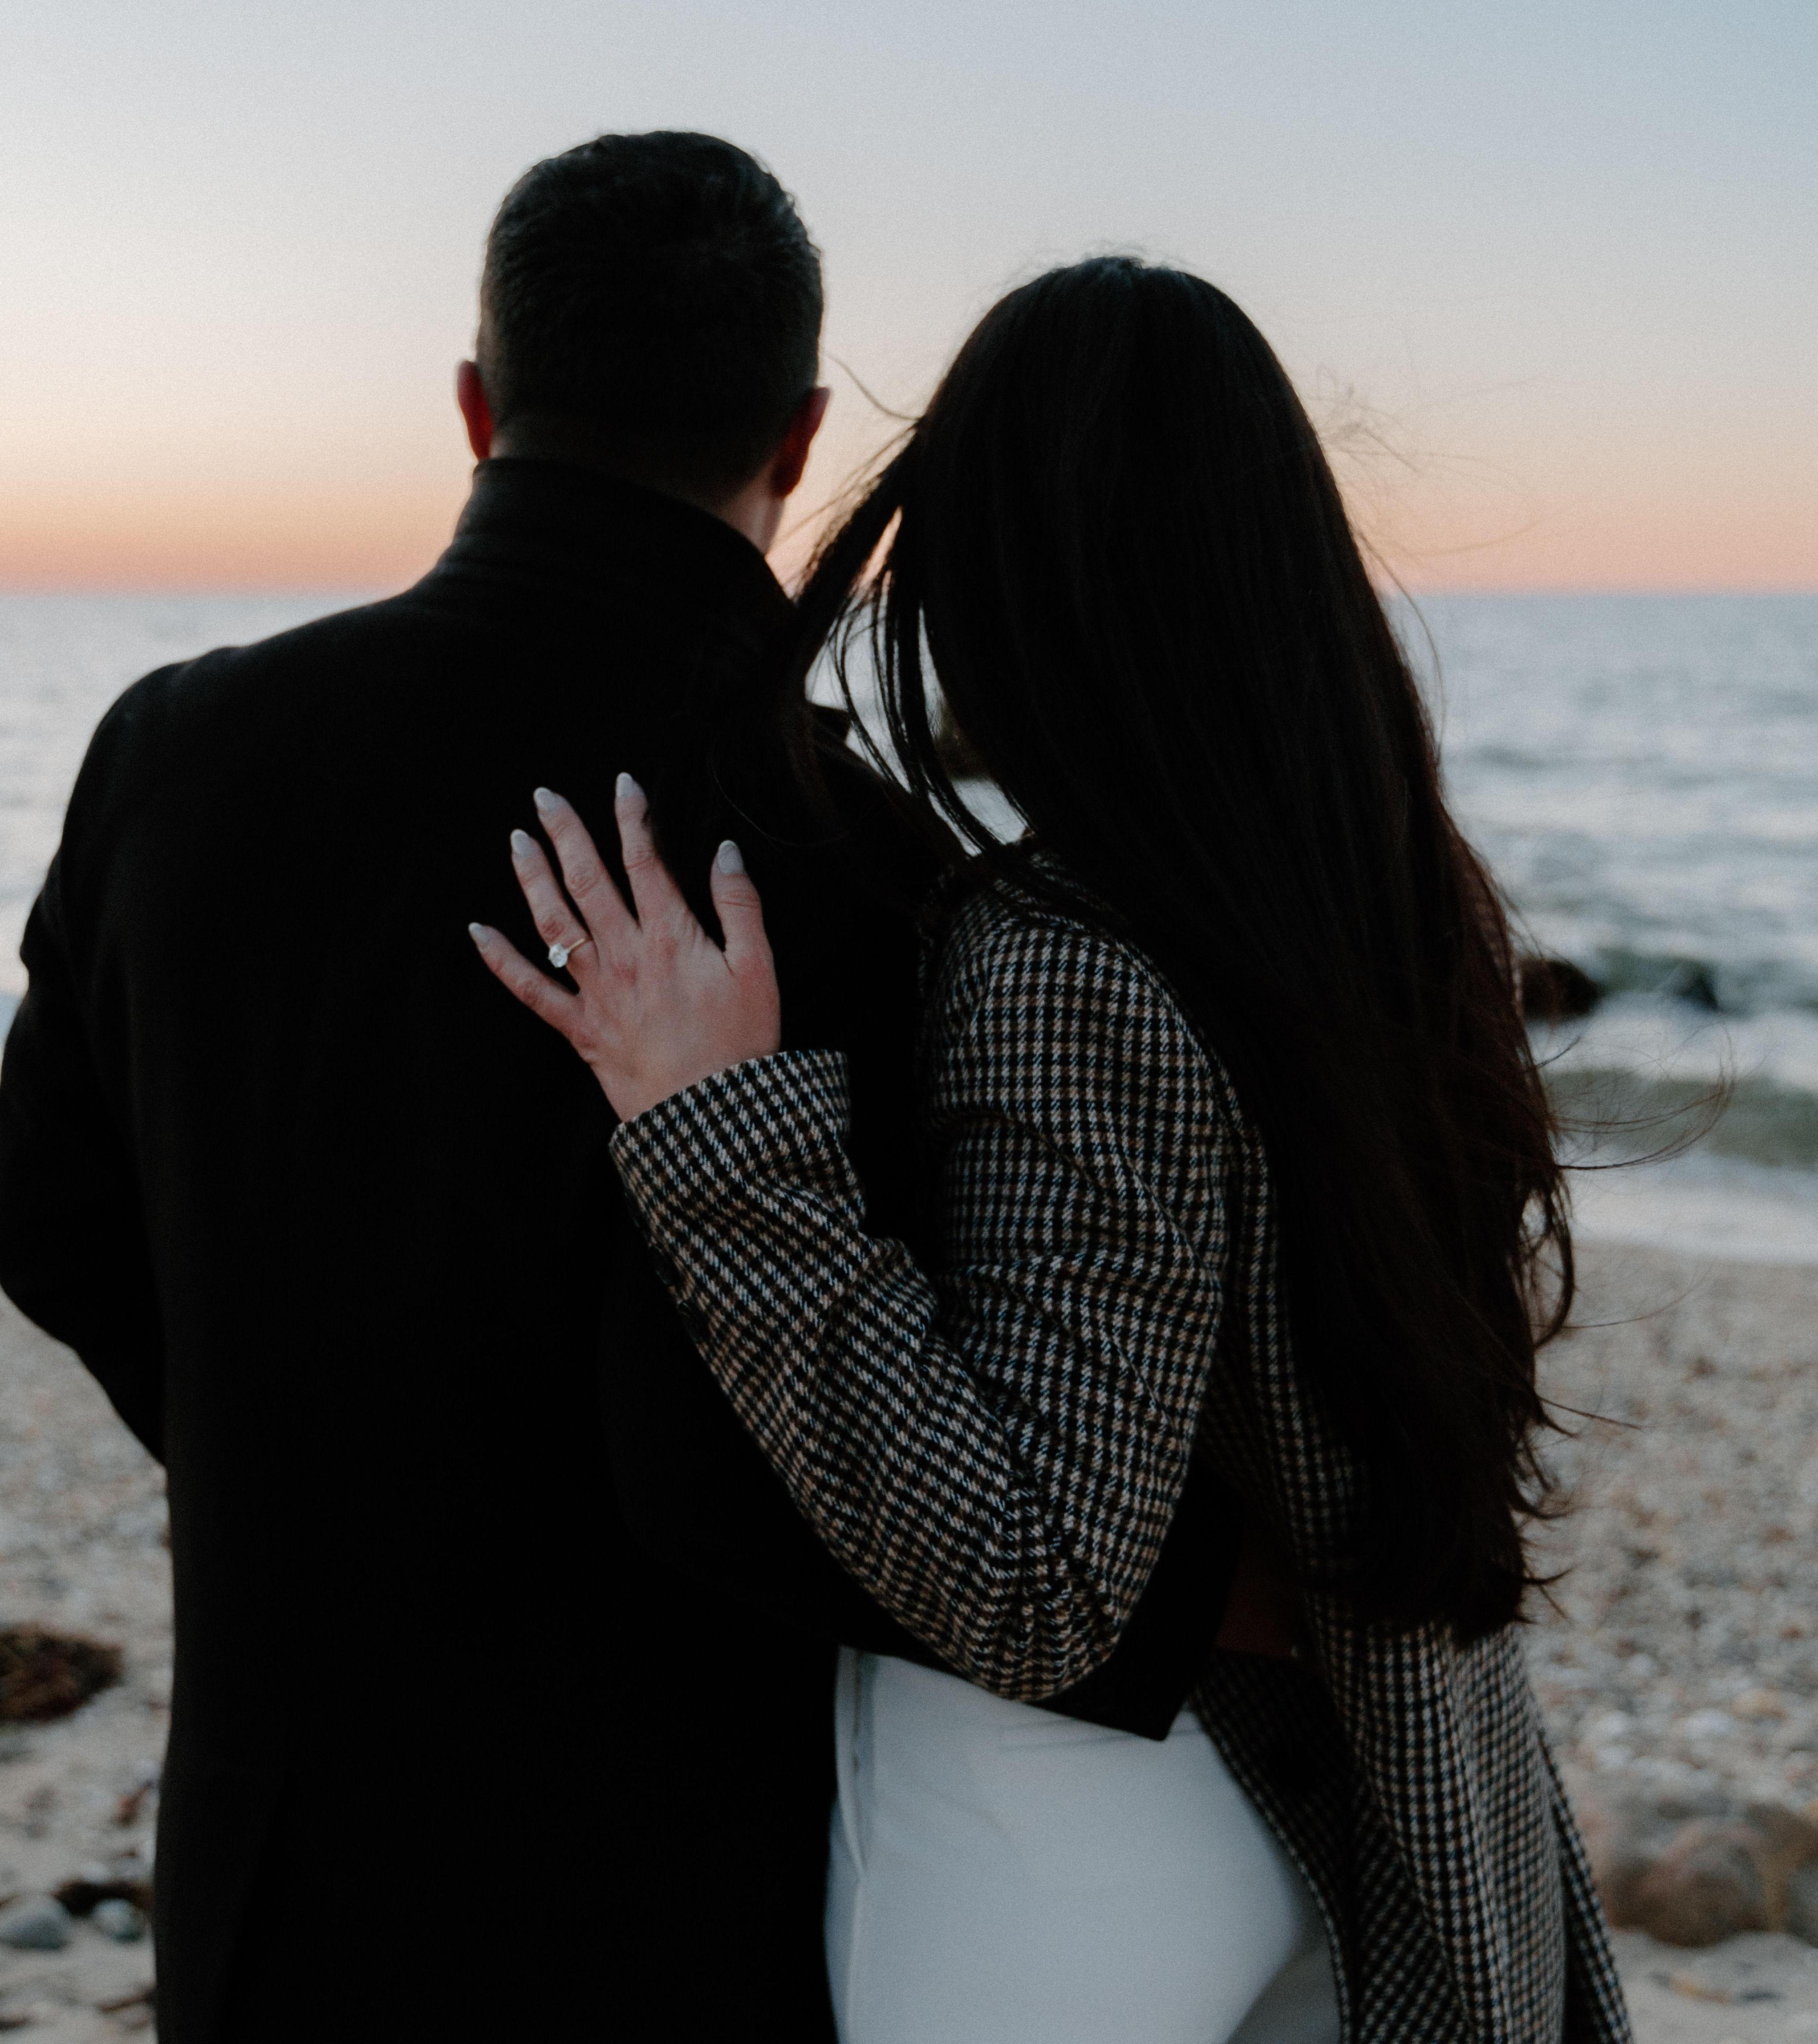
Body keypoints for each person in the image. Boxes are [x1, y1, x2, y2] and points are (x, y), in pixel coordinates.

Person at [0, 142, 1232, 2040]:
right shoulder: (861, 865)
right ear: (801, 437)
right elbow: (936, 1409)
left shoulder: (176, 753)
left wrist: (281, 1438)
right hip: (689, 1890)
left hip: (281, 1859)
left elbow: (53, 1226)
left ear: (478, 405)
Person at [473, 257, 1633, 2041]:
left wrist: (717, 1130)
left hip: (1065, 1829)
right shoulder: (1383, 910)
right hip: (1359, 1773)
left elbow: (1032, 1569)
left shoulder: (1057, 957)